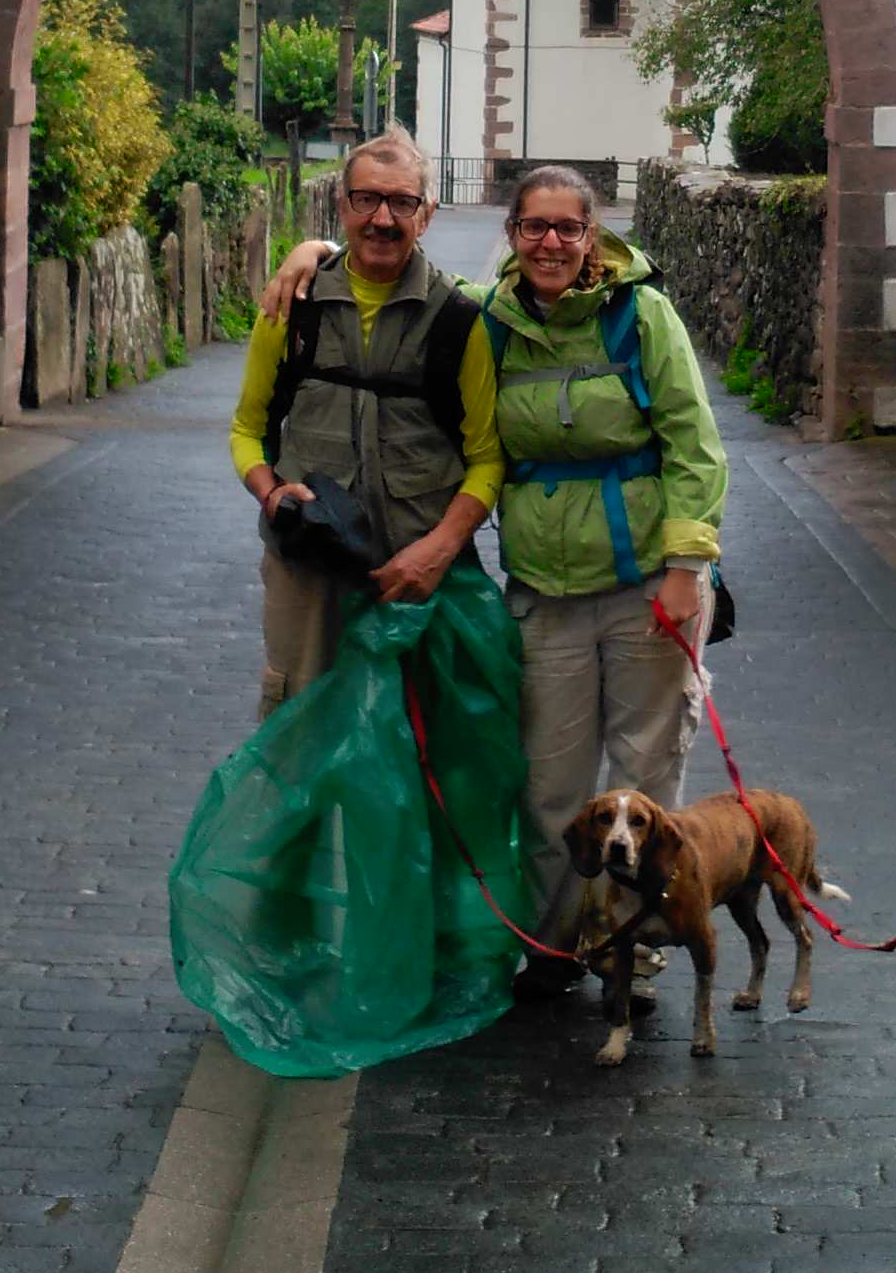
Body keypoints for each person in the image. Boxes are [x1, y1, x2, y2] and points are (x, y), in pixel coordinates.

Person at [273, 163, 730, 997]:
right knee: (549, 787)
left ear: (592, 237)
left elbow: (696, 450)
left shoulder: (643, 318)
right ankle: (556, 946)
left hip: (644, 589)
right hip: (545, 591)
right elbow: (393, 266)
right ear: (513, 237)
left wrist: (688, 568)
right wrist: (316, 250)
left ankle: (639, 936)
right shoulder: (490, 318)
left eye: (568, 227)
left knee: (646, 778)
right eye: (534, 228)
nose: (550, 242)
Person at [231, 130, 503, 716]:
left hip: (417, 578)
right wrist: (272, 493)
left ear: (426, 215)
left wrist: (437, 551)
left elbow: (487, 459)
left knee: (418, 748)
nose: (383, 218)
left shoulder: (460, 321)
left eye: (401, 202)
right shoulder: (291, 307)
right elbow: (246, 430)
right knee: (300, 731)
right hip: (306, 566)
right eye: (366, 199)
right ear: (342, 205)